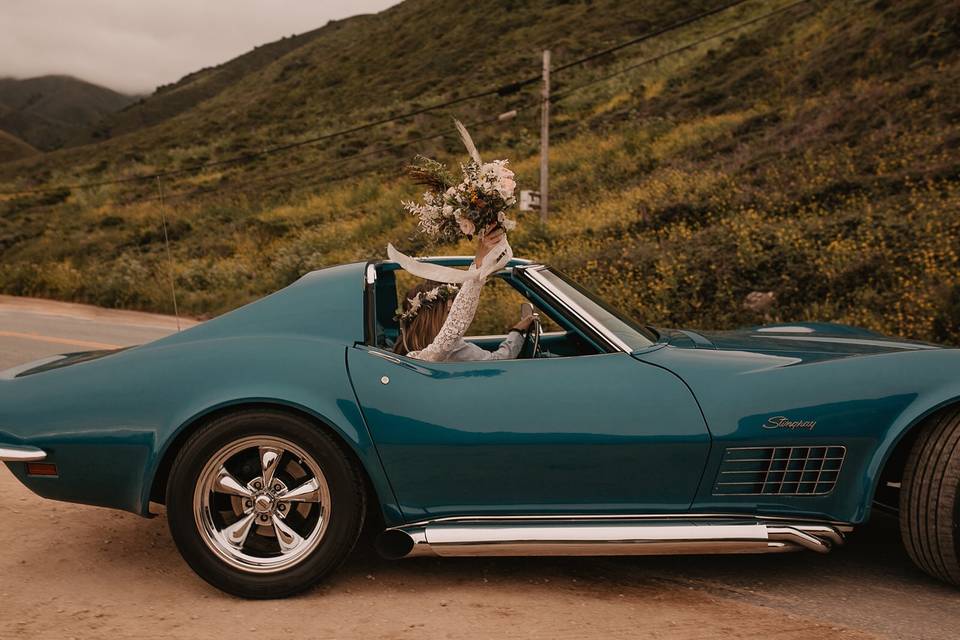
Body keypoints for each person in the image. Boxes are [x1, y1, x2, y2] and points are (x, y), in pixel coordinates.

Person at [394, 226, 535, 361]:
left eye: (453, 311)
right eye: (449, 311)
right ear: (432, 316)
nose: (453, 316)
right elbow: (497, 360)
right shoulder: (448, 349)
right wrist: (516, 332)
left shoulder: (406, 347)